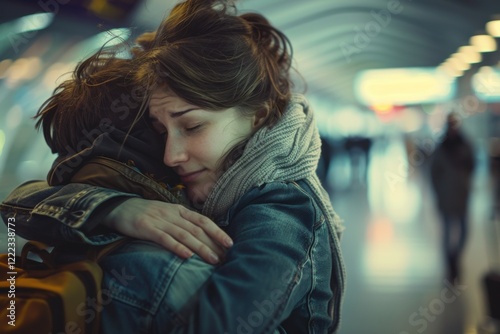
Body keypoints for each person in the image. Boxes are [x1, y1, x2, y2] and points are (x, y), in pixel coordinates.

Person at [0, 0, 346, 333]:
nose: (171, 156)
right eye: (161, 131)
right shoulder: (216, 185)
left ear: (256, 116)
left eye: (193, 127)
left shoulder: (282, 208)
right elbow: (18, 205)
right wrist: (119, 209)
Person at [430, 112, 475, 283]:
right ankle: (450, 265)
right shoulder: (440, 148)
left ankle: (455, 257)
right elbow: (433, 174)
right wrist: (439, 193)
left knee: (464, 231)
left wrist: (465, 184)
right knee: (448, 232)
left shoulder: (466, 145)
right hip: (446, 196)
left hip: (462, 195)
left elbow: (472, 166)